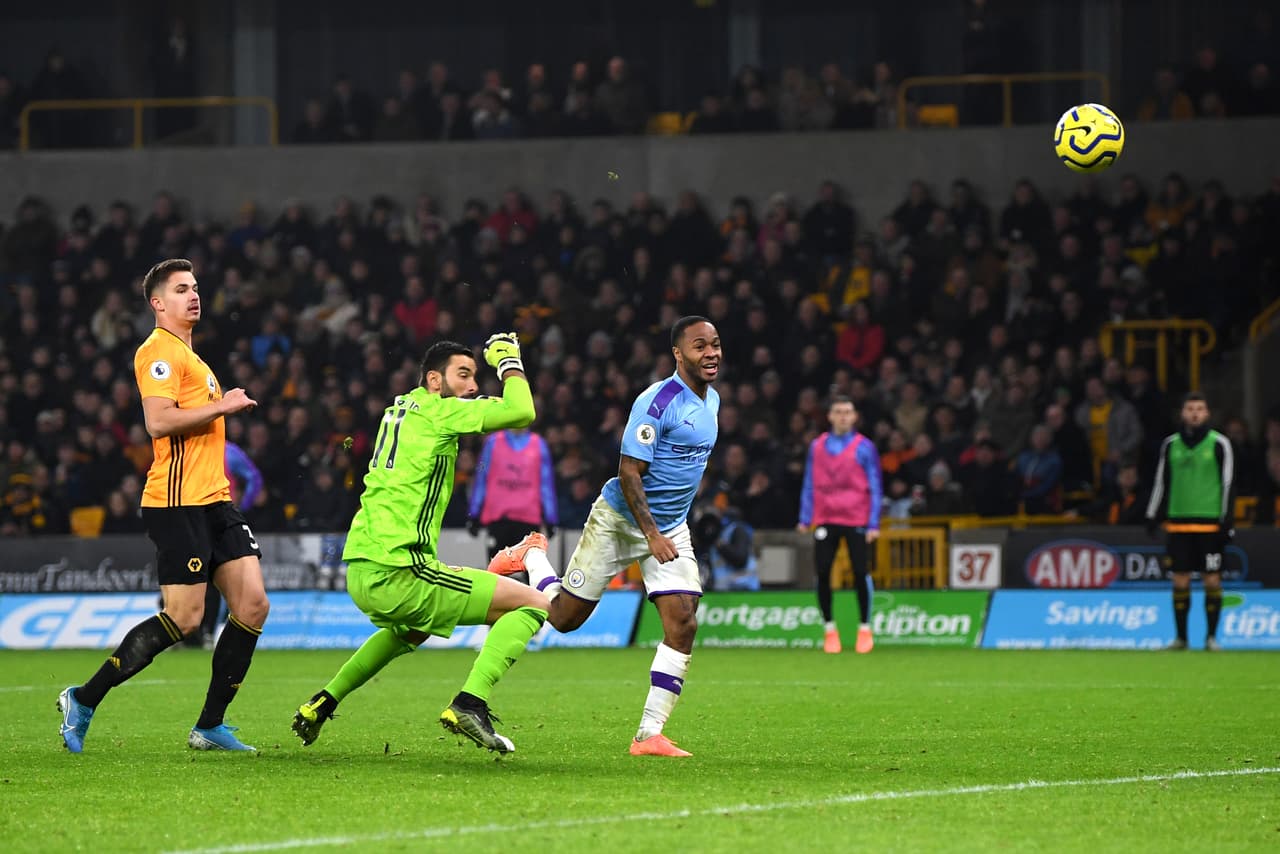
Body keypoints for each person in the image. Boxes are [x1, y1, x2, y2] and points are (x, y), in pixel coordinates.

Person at [291, 335, 551, 755]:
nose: (471, 386)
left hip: (362, 567)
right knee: (534, 605)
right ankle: (471, 702)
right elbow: (522, 410)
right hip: (400, 570)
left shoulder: (398, 409)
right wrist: (508, 361)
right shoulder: (439, 411)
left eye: (475, 376)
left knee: (409, 630)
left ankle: (323, 702)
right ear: (434, 380)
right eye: (462, 375)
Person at [57, 259, 267, 753]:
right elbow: (157, 422)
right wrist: (223, 405)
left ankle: (209, 726)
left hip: (214, 499)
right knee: (186, 617)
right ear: (157, 303)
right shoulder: (157, 352)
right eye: (180, 289)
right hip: (177, 503)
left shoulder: (193, 357)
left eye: (195, 287)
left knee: (253, 604)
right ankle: (83, 699)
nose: (193, 295)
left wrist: (221, 401)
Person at [489, 316, 721, 758]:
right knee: (563, 619)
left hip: (669, 526)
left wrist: (667, 524)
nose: (710, 353)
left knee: (683, 621)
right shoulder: (656, 403)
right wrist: (649, 534)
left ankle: (648, 734)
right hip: (619, 521)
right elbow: (629, 472)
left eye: (715, 344)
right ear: (678, 353)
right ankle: (533, 556)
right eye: (699, 346)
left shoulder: (712, 402)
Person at [1145, 392, 1235, 651]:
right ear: (1182, 413)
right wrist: (1153, 514)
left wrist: (1226, 522)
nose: (1195, 413)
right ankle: (1181, 638)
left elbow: (1228, 484)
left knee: (1212, 580)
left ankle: (1211, 638)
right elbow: (1161, 482)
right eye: (1190, 408)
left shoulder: (1219, 444)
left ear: (1207, 413)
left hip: (1209, 524)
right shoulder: (1170, 445)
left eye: (1199, 408)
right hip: (1179, 523)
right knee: (1180, 580)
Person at [797, 396, 882, 655]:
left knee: (859, 572)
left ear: (854, 417)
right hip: (826, 517)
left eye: (848, 412)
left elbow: (876, 486)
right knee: (823, 572)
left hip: (856, 517)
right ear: (830, 416)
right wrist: (805, 517)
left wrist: (873, 522)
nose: (843, 416)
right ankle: (829, 629)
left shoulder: (865, 447)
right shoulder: (817, 446)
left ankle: (865, 628)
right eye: (838, 411)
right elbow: (809, 482)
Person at [468, 426, 558, 560]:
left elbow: (546, 482)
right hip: (499, 519)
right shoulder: (492, 442)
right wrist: (473, 513)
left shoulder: (539, 445)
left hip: (527, 519)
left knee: (528, 574)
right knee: (497, 573)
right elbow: (481, 474)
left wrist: (551, 518)